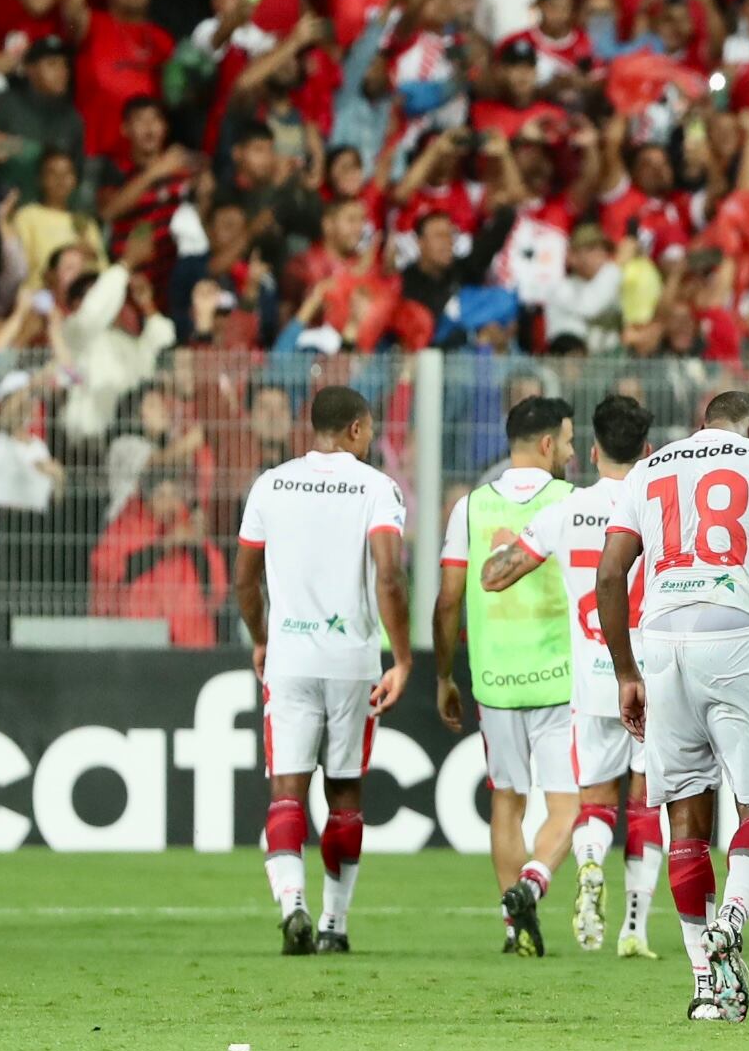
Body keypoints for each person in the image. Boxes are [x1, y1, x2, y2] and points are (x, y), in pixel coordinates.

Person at [598, 388, 749, 1024]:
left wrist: (625, 672)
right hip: (736, 638)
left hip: (660, 643)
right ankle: (732, 919)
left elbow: (611, 575)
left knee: (685, 821)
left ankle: (707, 988)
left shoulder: (649, 467)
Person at [475, 393, 666, 958]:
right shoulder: (658, 507)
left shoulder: (563, 511)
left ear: (590, 451)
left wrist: (503, 549)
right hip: (649, 674)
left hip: (590, 680)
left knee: (597, 803)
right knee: (648, 802)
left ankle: (583, 868)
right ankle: (635, 927)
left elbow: (494, 578)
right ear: (648, 451)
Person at [230, 386, 412, 956]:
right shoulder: (377, 488)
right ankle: (334, 923)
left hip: (289, 657)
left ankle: (293, 906)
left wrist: (262, 639)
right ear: (357, 429)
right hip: (352, 661)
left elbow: (243, 579)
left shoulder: (271, 483)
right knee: (345, 794)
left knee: (286, 790)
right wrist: (402, 657)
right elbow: (388, 575)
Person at [434, 393, 578, 955]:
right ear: (546, 444)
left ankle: (514, 929)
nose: (569, 450)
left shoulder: (468, 508)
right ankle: (532, 885)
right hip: (561, 678)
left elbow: (448, 601)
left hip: (494, 679)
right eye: (566, 441)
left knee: (507, 804)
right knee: (568, 806)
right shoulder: (573, 501)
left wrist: (444, 674)